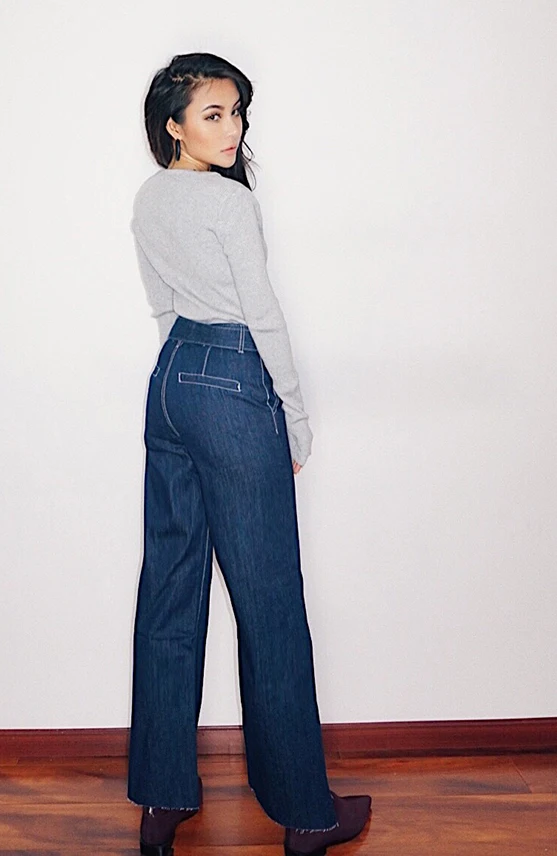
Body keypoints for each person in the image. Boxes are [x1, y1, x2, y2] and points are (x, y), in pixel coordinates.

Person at [127, 52, 372, 856]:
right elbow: (261, 313)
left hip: (170, 382)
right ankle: (306, 815)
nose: (230, 129)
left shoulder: (149, 198)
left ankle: (161, 800)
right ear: (173, 125)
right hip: (232, 383)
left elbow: (163, 307)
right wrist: (292, 413)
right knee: (269, 603)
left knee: (169, 590)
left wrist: (183, 377)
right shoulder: (227, 203)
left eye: (236, 113)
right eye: (211, 114)